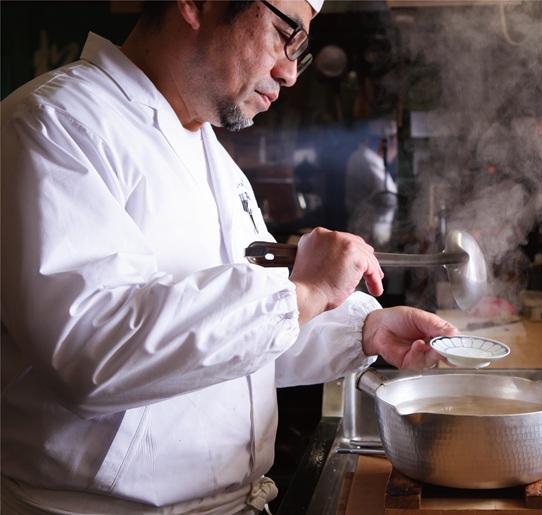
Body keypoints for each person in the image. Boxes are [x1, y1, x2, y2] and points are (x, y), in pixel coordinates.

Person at [0, 1, 457, 513]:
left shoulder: (209, 152)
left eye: (299, 53)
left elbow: (236, 343)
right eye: (286, 34)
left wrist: (361, 328)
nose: (288, 73)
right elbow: (91, 351)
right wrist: (303, 292)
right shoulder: (55, 123)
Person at [344, 118, 399, 249]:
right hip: (368, 236)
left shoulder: (369, 160)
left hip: (371, 235)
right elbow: (385, 199)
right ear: (384, 142)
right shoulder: (366, 163)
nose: (395, 151)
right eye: (395, 144)